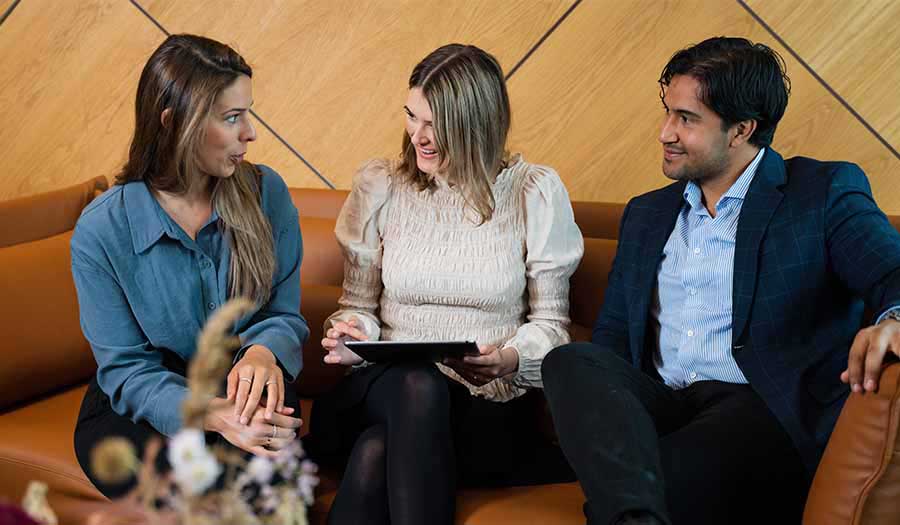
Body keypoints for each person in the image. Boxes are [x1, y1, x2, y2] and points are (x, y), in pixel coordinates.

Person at [541, 36, 900, 525]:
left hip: (759, 413)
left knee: (658, 478)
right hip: (664, 407)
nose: (665, 133)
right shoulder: (647, 214)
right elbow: (613, 339)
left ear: (741, 130)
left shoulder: (820, 194)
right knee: (571, 360)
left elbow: (892, 271)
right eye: (668, 113)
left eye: (686, 119)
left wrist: (893, 319)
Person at [309, 43, 584, 525]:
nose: (417, 136)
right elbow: (358, 306)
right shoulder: (383, 185)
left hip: (484, 411)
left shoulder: (532, 192)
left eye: (434, 124)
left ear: (476, 124)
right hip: (381, 393)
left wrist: (509, 359)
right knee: (418, 384)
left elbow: (552, 325)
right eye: (411, 117)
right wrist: (354, 334)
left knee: (377, 450)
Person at [71, 34, 308, 498]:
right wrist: (212, 416)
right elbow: (127, 370)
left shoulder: (268, 194)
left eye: (248, 113)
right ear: (174, 122)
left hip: (246, 384)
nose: (250, 133)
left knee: (264, 492)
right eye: (232, 117)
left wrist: (263, 354)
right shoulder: (101, 230)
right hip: (143, 403)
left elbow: (283, 314)